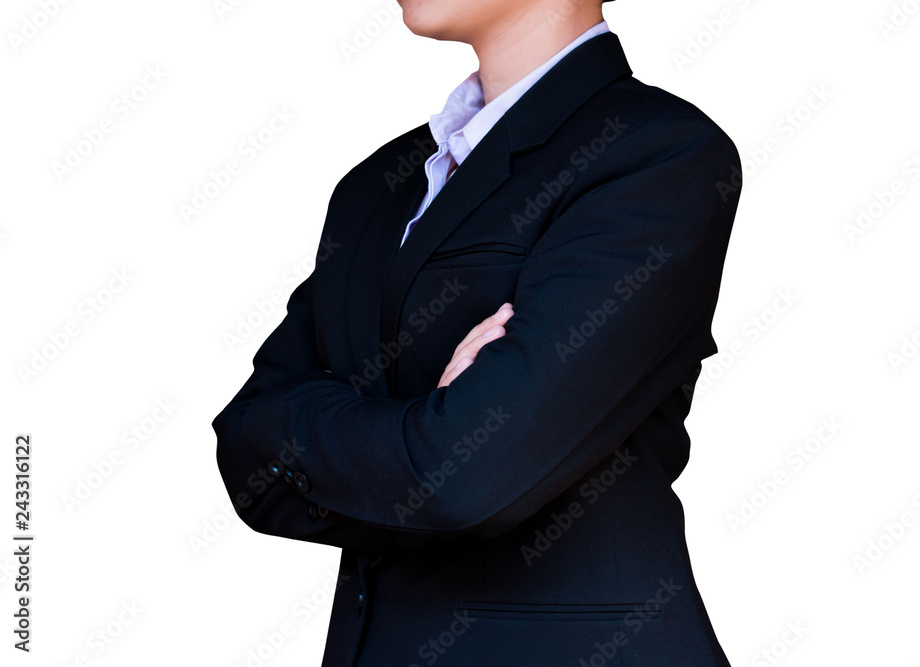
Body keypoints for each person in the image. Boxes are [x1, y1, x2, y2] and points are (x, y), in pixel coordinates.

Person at [212, 0, 742, 664]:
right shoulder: (377, 185)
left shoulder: (656, 155)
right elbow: (246, 447)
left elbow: (462, 479)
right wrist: (427, 427)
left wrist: (369, 448)